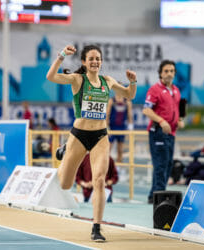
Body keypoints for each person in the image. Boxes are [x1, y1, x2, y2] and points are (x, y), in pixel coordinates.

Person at [46, 44, 137, 242]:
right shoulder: (78, 79)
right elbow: (51, 77)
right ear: (84, 62)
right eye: (91, 59)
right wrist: (61, 55)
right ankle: (65, 151)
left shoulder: (108, 81)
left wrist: (133, 82)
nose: (95, 61)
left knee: (99, 180)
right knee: (64, 183)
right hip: (79, 135)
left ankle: (96, 227)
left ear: (101, 62)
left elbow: (129, 95)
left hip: (100, 136)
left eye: (98, 58)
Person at [142, 60, 184, 204]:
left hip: (171, 133)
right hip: (158, 132)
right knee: (160, 165)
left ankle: (153, 196)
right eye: (166, 71)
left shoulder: (176, 90)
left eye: (172, 71)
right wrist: (161, 121)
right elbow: (146, 110)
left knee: (167, 165)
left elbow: (177, 109)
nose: (169, 74)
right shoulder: (155, 89)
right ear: (160, 73)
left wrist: (179, 120)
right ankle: (159, 199)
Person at [106, 91, 133, 162]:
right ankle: (106, 167)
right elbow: (107, 114)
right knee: (108, 149)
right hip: (112, 127)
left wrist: (130, 125)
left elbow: (129, 114)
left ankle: (119, 168)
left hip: (122, 128)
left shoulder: (127, 102)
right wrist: (107, 127)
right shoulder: (111, 101)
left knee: (120, 150)